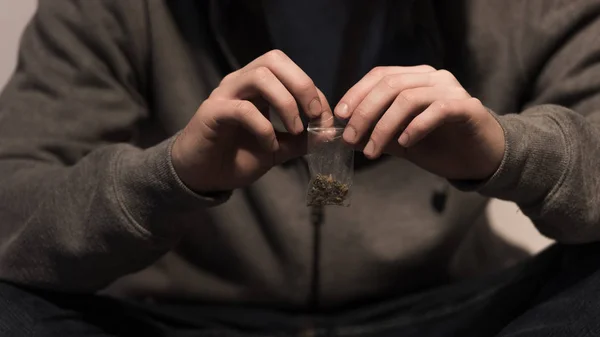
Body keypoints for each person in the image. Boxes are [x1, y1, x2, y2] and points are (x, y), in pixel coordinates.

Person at [1, 0, 600, 336]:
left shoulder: (529, 9)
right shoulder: (112, 10)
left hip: (446, 312)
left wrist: (504, 151)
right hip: (176, 321)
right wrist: (172, 175)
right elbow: (10, 211)